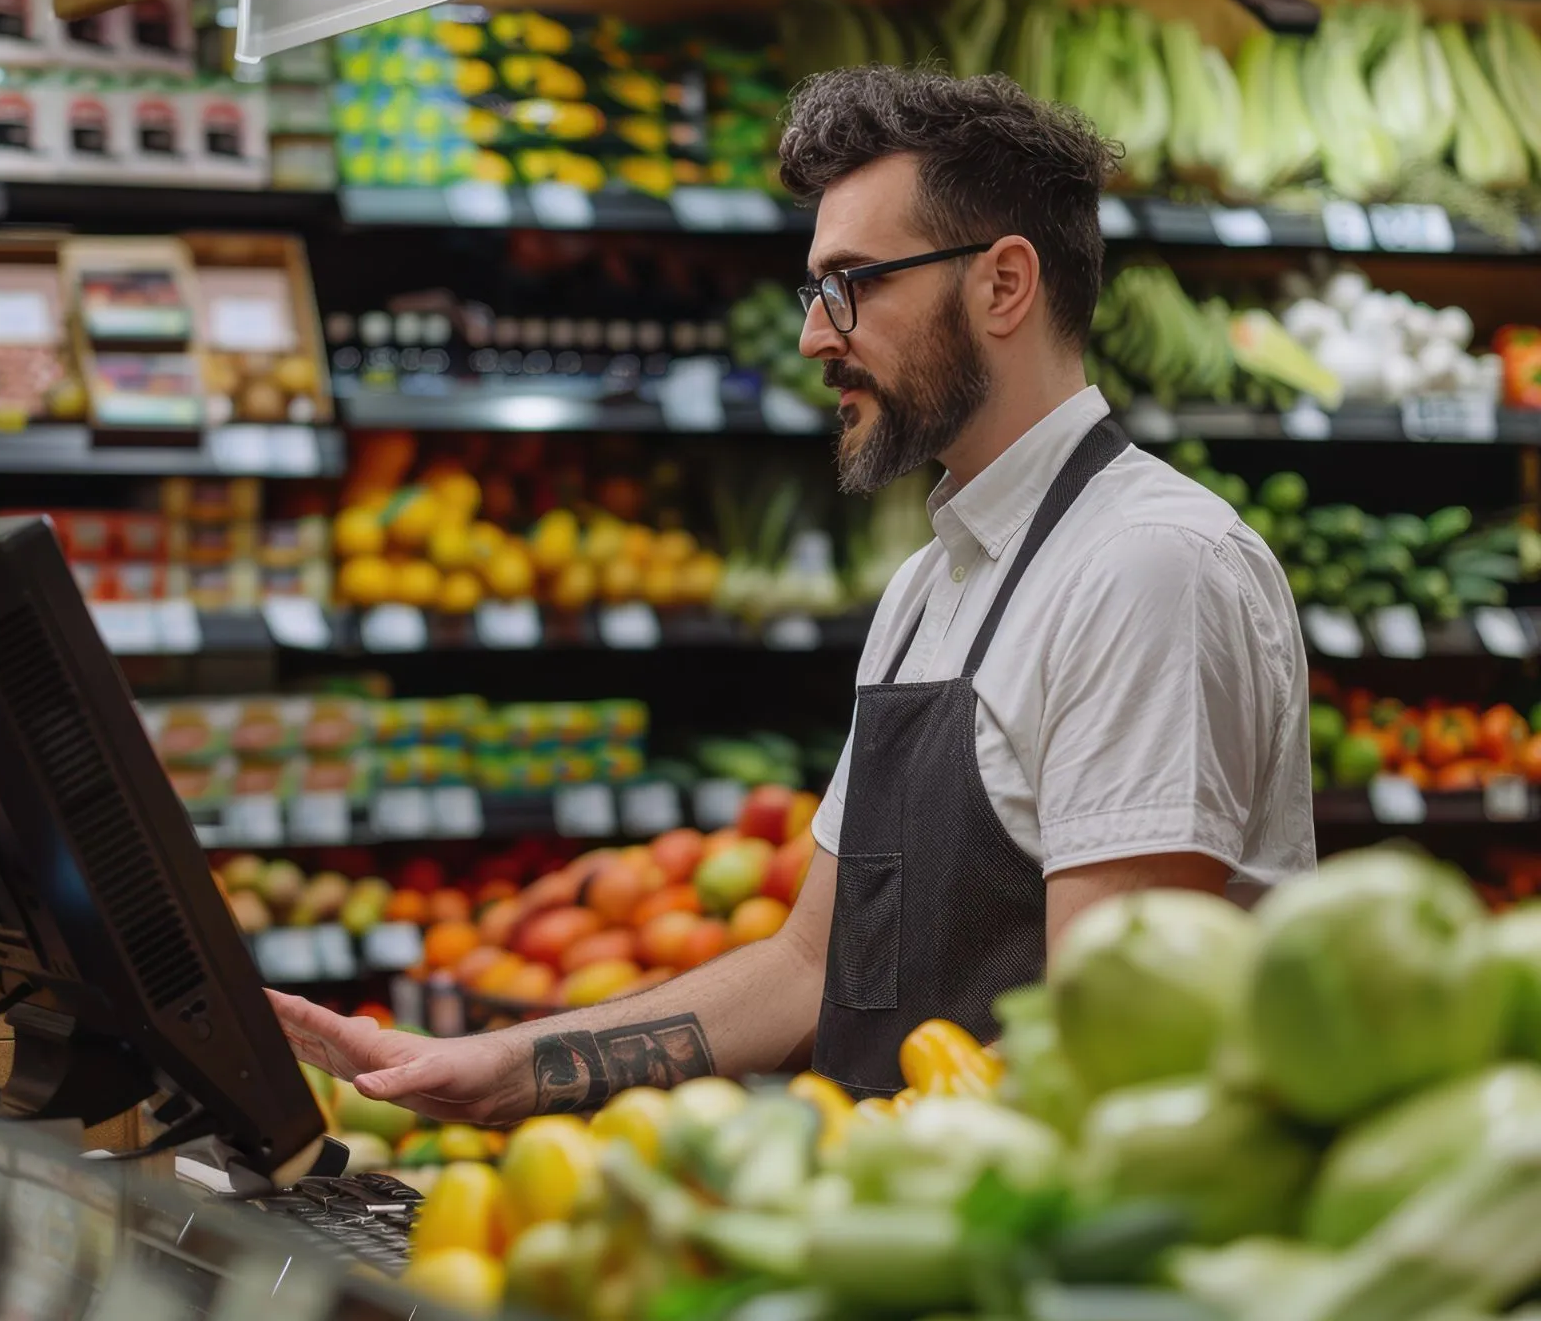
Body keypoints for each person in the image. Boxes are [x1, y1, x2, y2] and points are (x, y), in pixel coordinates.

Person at [271, 64, 1316, 1119]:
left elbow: (1115, 1041)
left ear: (1003, 284)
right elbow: (806, 967)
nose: (817, 335)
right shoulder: (927, 584)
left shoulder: (1145, 569)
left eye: (853, 283)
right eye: (815, 290)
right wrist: (508, 1066)